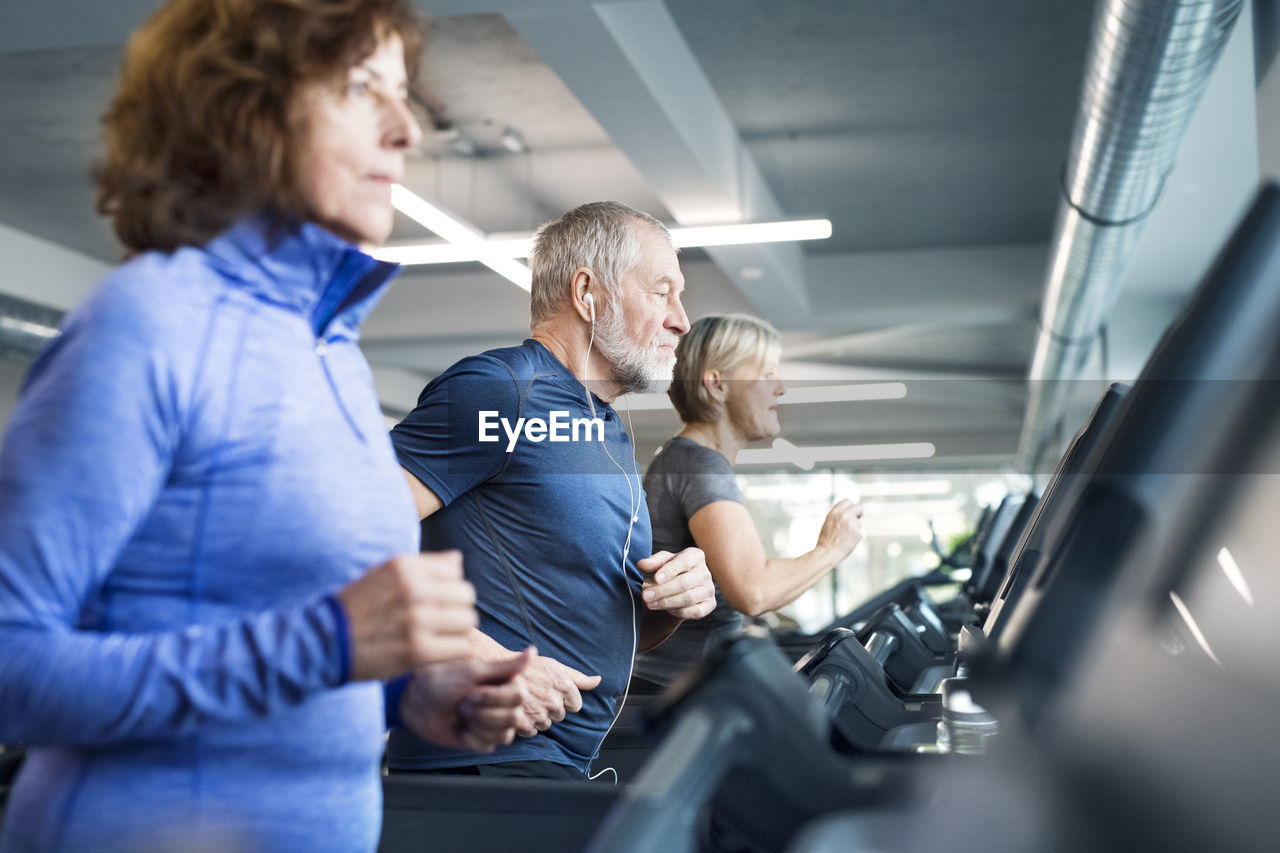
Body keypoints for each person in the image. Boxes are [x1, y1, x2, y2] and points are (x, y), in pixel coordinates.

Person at [0, 2, 529, 850]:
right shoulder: (147, 323)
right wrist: (327, 641)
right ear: (242, 106)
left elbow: (297, 645)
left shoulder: (331, 350)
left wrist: (410, 693)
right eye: (363, 89)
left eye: (405, 96)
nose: (406, 130)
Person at [387, 201, 718, 779]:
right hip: (488, 762)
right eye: (662, 291)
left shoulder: (602, 425)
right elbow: (331, 543)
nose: (681, 320)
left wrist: (673, 600)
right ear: (588, 292)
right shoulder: (501, 392)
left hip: (562, 757)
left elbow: (602, 626)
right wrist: (485, 658)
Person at [631, 314, 864, 689]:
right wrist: (831, 549)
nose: (781, 388)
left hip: (683, 687)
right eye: (767, 374)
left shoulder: (687, 458)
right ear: (718, 384)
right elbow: (753, 592)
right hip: (675, 698)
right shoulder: (699, 463)